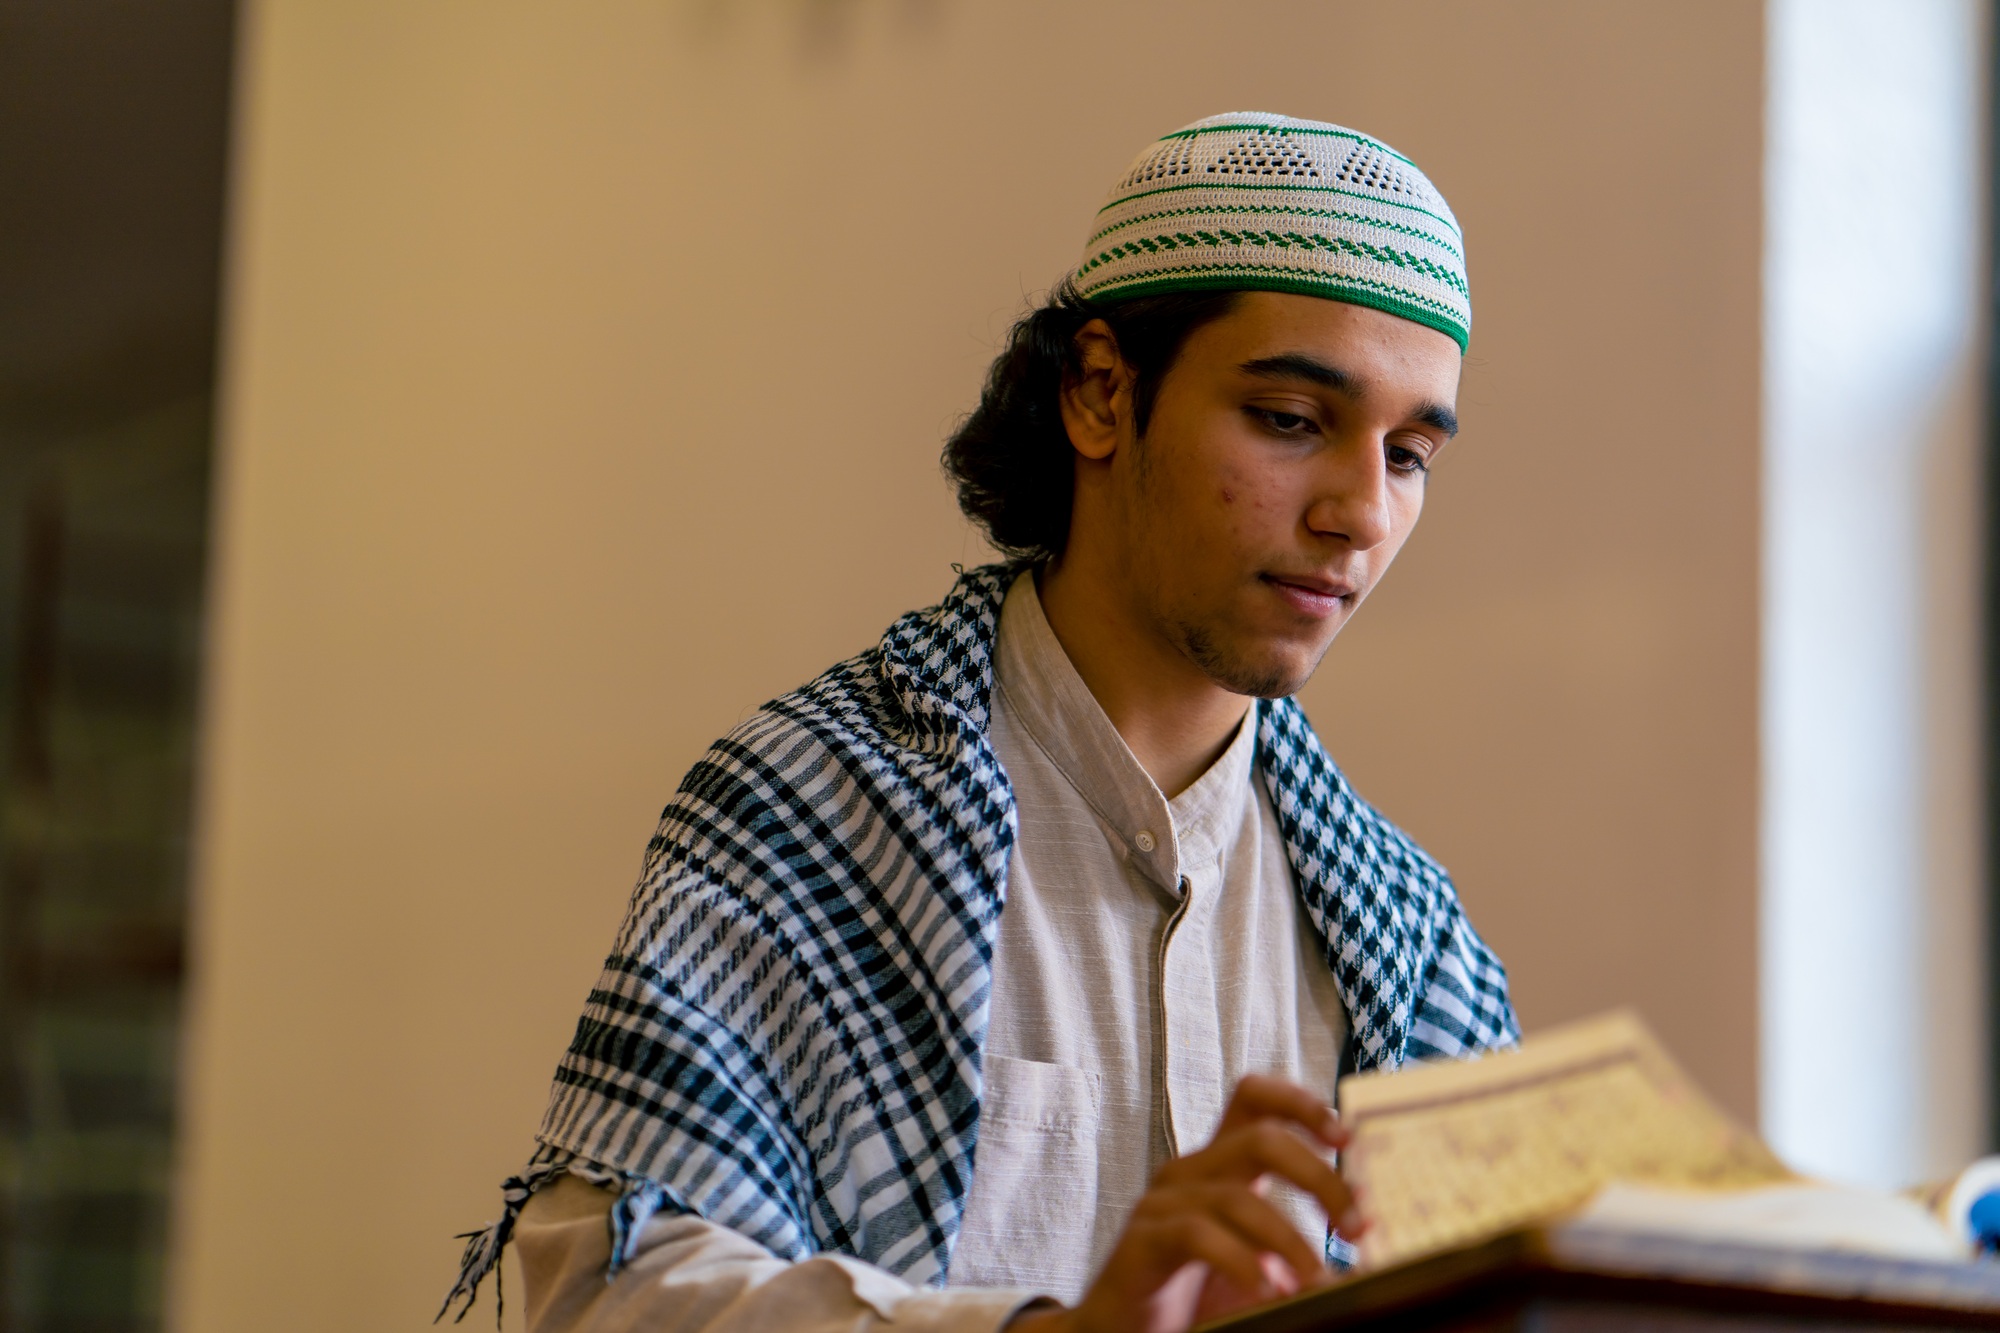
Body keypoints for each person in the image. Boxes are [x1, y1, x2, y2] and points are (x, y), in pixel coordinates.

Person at [441, 111, 1517, 1333]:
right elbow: (607, 1293)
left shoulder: (1409, 945)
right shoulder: (812, 813)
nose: (1360, 513)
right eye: (1288, 418)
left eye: (1411, 453)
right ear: (1102, 393)